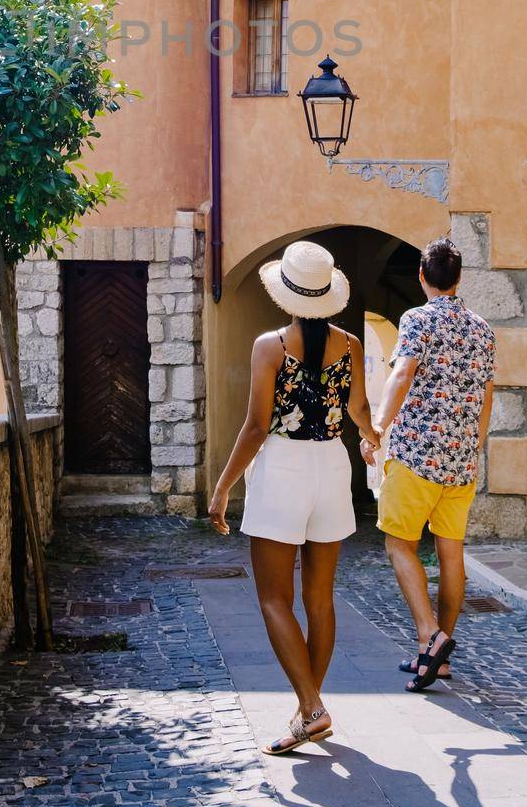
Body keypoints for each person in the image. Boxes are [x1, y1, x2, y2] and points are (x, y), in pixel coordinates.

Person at [208, 240, 381, 755]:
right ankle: (310, 709)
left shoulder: (270, 346)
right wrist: (373, 442)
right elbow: (360, 410)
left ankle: (311, 708)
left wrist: (222, 489)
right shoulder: (350, 345)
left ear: (286, 294)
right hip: (332, 465)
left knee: (272, 597)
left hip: (282, 468)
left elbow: (258, 426)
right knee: (320, 598)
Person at [362, 236, 495, 692]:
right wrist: (472, 446)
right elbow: (486, 395)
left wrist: (377, 427)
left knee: (399, 544)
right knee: (451, 552)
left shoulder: (417, 318)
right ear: (459, 278)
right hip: (460, 460)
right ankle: (438, 657)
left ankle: (429, 634)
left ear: (422, 277)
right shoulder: (482, 329)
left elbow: (402, 372)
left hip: (418, 453)